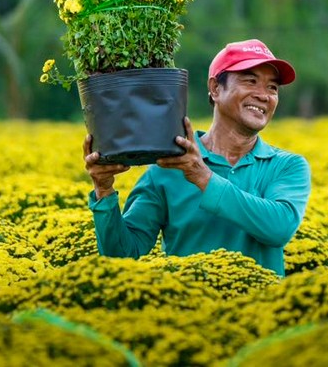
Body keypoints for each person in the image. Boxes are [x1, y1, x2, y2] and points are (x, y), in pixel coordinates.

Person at [84, 39, 311, 276]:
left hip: (261, 301)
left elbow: (279, 228)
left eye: (272, 87)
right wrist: (104, 191)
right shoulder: (168, 168)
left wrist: (202, 177)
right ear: (215, 88)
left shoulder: (286, 166)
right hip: (189, 300)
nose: (264, 95)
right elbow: (122, 256)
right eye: (250, 81)